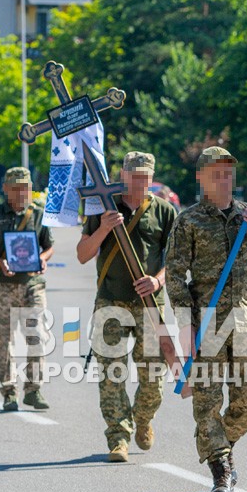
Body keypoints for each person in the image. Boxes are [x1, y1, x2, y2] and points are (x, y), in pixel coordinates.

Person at [165, 146, 247, 492]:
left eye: (229, 172)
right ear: (201, 177)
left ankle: (220, 442)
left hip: (245, 323)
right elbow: (174, 276)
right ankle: (221, 470)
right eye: (216, 172)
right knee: (206, 402)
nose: (224, 178)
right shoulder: (188, 220)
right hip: (206, 326)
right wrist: (186, 326)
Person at [76, 151, 177, 462]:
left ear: (151, 176)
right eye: (133, 175)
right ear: (122, 174)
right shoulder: (102, 206)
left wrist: (157, 281)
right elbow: (82, 254)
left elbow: (175, 261)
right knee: (111, 374)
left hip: (149, 303)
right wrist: (104, 228)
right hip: (110, 300)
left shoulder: (165, 211)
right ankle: (118, 437)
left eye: (144, 176)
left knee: (153, 378)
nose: (139, 181)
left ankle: (143, 418)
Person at [0, 167, 54, 411]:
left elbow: (49, 247)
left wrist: (43, 259)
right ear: (6, 189)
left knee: (37, 335)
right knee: (3, 340)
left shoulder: (40, 215)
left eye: (25, 188)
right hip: (3, 286)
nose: (21, 193)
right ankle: (9, 392)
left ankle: (34, 389)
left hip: (32, 284)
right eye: (16, 188)